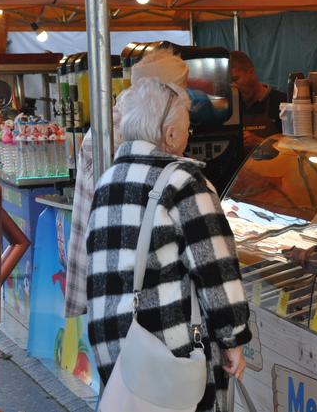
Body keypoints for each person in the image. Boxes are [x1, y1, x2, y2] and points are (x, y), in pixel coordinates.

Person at [86, 76, 251, 411]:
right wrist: (233, 339)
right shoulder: (184, 183)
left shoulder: (108, 181)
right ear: (170, 134)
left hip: (118, 351)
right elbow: (216, 270)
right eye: (188, 128)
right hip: (170, 356)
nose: (190, 136)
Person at [64, 48, 189, 318]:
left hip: (111, 279)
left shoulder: (116, 123)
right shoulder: (120, 135)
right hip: (125, 284)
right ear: (162, 92)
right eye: (179, 93)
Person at [229, 51, 287, 156]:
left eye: (236, 79)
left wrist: (260, 142)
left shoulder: (281, 102)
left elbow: (293, 150)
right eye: (229, 82)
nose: (233, 86)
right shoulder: (229, 106)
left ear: (251, 73)